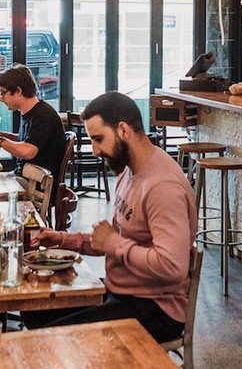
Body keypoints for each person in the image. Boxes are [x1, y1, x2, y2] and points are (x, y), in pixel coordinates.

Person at [23, 92, 196, 343]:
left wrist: (113, 243)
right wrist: (60, 239)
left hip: (155, 309)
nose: (94, 151)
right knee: (34, 313)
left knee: (46, 340)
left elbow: (172, 267)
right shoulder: (129, 173)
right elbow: (111, 239)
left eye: (98, 139)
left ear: (123, 130)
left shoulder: (162, 186)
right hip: (122, 292)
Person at [0, 64, 67, 183]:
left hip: (37, 185)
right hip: (25, 176)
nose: (1, 99)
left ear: (18, 91)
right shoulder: (30, 112)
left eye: (3, 93)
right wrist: (3, 135)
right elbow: (28, 139)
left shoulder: (43, 115)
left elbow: (28, 151)